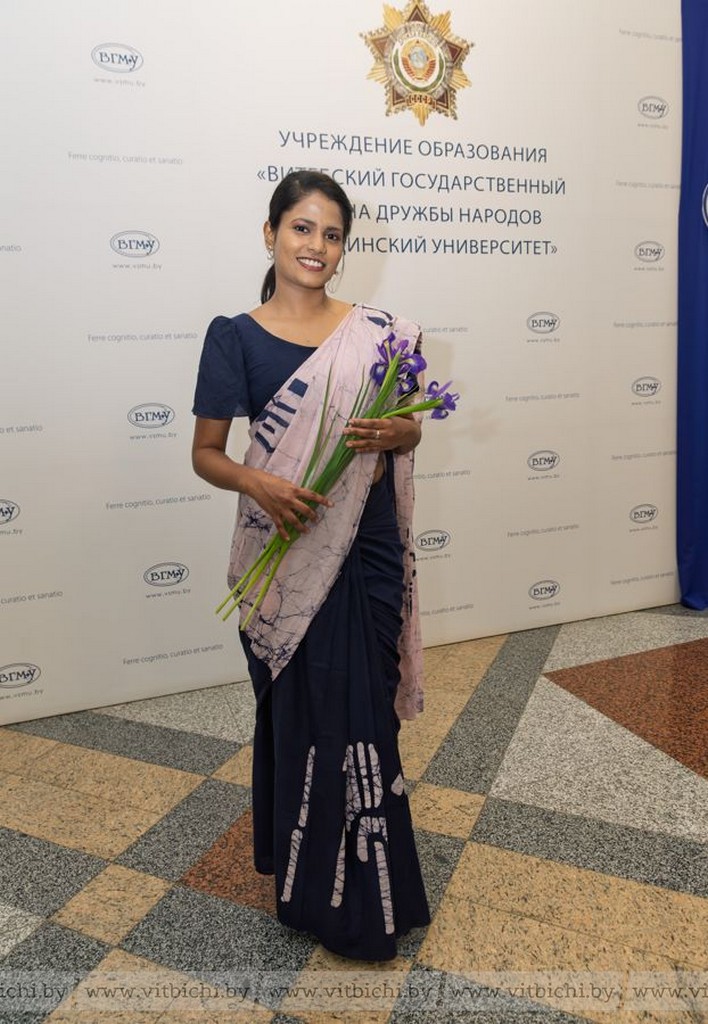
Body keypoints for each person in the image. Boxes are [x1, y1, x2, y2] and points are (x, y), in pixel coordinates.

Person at [191, 170, 430, 961]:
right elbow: (206, 453)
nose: (316, 246)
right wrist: (258, 482)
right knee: (312, 712)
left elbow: (409, 430)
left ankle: (371, 892)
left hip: (368, 549)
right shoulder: (236, 337)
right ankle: (316, 889)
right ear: (271, 234)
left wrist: (402, 434)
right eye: (301, 228)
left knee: (365, 715)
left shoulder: (378, 333)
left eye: (331, 234)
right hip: (288, 549)